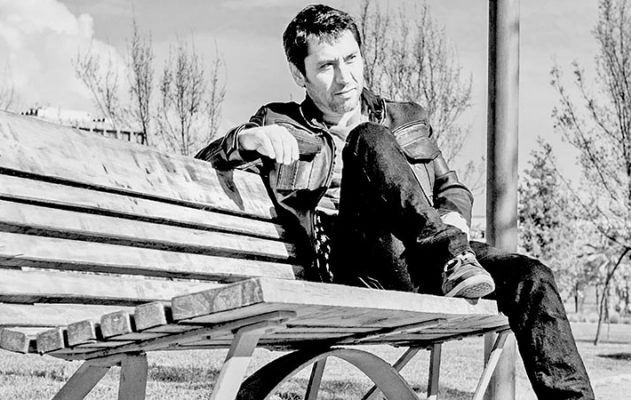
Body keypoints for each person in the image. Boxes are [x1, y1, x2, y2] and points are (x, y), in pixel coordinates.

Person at [196, 4, 594, 399]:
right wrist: (244, 140)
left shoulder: (406, 117)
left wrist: (454, 214)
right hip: (353, 266)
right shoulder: (278, 122)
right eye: (326, 66)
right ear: (299, 74)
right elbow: (199, 169)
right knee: (368, 139)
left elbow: (451, 187)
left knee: (533, 277)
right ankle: (452, 257)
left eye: (351, 59)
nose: (345, 77)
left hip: (424, 254)